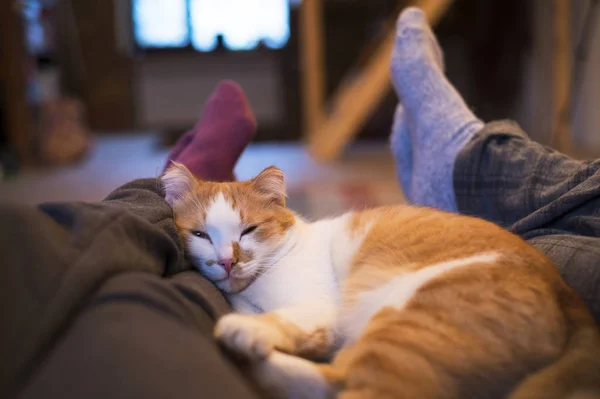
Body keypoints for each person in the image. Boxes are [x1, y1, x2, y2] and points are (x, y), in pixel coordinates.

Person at [0, 7, 598, 399]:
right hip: (503, 301)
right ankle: (469, 169)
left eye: (250, 234)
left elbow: (311, 321)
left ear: (281, 213)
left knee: (164, 274)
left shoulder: (300, 250)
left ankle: (175, 193)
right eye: (207, 237)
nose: (230, 258)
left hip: (475, 283)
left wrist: (279, 331)